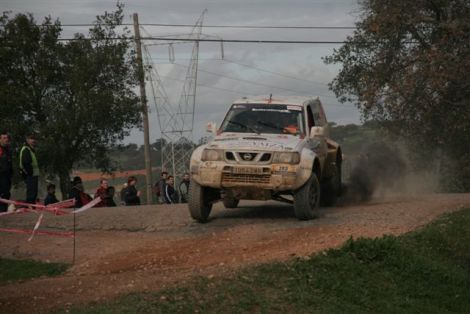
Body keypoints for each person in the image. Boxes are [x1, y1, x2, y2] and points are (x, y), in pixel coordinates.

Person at [19, 133, 39, 204]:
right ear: (27, 140)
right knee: (31, 194)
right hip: (30, 176)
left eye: (34, 138)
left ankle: (31, 208)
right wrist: (30, 173)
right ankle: (30, 210)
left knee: (33, 194)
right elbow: (26, 163)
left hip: (33, 175)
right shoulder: (26, 150)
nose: (33, 140)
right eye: (31, 138)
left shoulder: (31, 150)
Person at [0, 131, 13, 212]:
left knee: (7, 194)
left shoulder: (8, 150)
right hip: (1, 176)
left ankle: (4, 212)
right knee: (2, 195)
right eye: (4, 138)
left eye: (7, 138)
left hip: (7, 176)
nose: (6, 140)